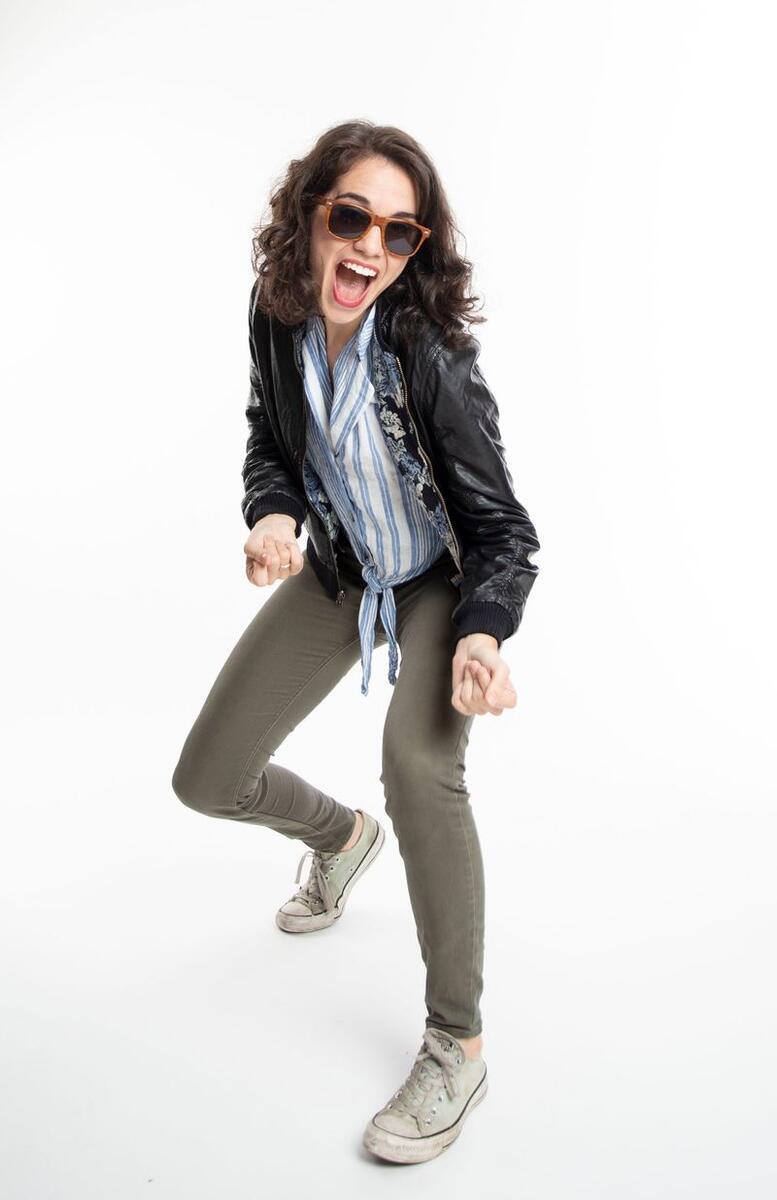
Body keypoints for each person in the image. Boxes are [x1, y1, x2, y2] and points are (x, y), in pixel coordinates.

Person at [171, 119, 541, 1164]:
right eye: (351, 217)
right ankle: (340, 839)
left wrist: (480, 634)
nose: (371, 248)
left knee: (419, 766)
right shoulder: (277, 314)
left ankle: (456, 1044)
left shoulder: (432, 355)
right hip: (339, 571)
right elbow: (268, 433)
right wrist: (275, 512)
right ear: (310, 217)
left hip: (436, 584)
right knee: (206, 777)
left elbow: (506, 530)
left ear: (417, 249)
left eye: (400, 232)